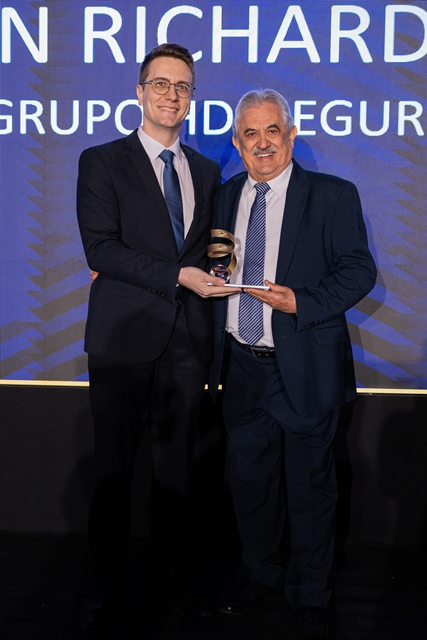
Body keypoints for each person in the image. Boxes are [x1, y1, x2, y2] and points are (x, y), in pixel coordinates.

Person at [209, 89, 377, 639]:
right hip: (241, 366)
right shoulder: (225, 195)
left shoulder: (332, 195)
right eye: (250, 134)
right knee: (250, 483)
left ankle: (310, 594)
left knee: (310, 487)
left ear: (291, 135)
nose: (262, 143)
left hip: (303, 366)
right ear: (238, 143)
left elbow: (359, 271)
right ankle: (261, 573)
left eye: (272, 131)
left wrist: (301, 301)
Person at [76, 43, 231, 630]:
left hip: (186, 340)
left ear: (192, 98)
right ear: (140, 93)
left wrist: (217, 272)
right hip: (122, 338)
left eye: (182, 86)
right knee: (114, 470)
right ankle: (104, 587)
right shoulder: (102, 161)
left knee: (176, 474)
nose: (172, 94)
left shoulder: (208, 172)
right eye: (161, 84)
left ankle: (176, 581)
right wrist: (176, 275)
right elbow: (101, 249)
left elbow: (208, 250)